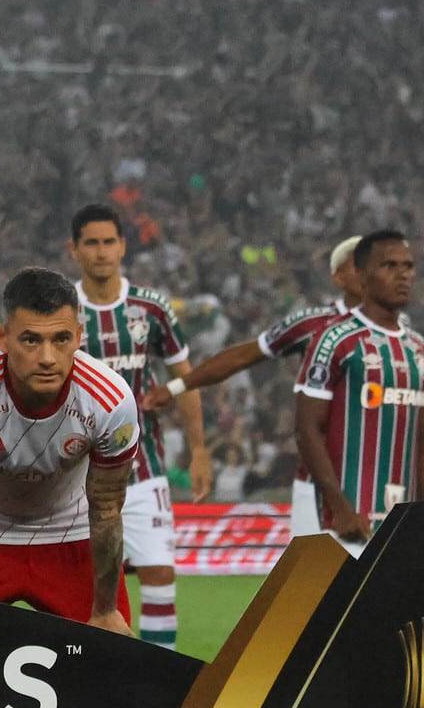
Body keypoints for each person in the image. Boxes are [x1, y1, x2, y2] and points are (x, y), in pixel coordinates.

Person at [0, 268, 138, 633]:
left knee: (113, 665)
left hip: (70, 535)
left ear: (79, 337)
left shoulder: (110, 401)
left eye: (61, 339)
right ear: (2, 338)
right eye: (31, 341)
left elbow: (106, 509)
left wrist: (103, 610)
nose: (48, 358)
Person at [143, 235, 362, 537]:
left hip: (390, 483)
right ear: (338, 277)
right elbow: (242, 355)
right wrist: (177, 386)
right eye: (358, 264)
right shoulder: (315, 324)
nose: (371, 272)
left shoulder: (407, 339)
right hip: (321, 485)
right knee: (317, 583)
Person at [68, 203, 209, 649]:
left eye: (109, 241)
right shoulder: (64, 310)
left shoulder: (151, 308)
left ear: (123, 246)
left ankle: (157, 680)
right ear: (75, 250)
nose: (101, 251)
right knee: (84, 583)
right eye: (91, 242)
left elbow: (184, 379)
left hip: (144, 468)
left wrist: (199, 450)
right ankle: (92, 678)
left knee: (159, 571)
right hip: (77, 476)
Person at [295, 230, 423, 555]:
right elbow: (307, 428)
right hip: (348, 524)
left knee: (397, 607)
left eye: (407, 266)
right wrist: (339, 507)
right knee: (329, 606)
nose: (403, 275)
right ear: (363, 277)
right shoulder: (334, 340)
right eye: (389, 266)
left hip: (402, 526)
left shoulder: (419, 350)